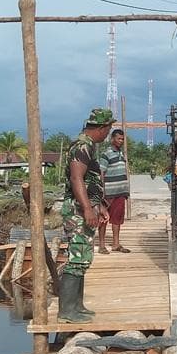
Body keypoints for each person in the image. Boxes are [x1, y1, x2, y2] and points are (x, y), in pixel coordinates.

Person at [57, 107, 114, 323]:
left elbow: (91, 182)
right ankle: (67, 311)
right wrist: (88, 208)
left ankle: (76, 306)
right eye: (107, 129)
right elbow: (76, 179)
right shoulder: (82, 146)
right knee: (77, 257)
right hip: (78, 210)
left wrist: (99, 205)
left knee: (83, 258)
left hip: (86, 207)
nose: (107, 134)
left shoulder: (89, 146)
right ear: (100, 128)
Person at [98, 128, 131, 254]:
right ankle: (101, 245)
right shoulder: (106, 154)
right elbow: (101, 172)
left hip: (120, 193)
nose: (121, 141)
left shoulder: (121, 154)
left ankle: (116, 244)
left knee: (117, 219)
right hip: (108, 193)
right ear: (112, 139)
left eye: (122, 139)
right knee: (104, 218)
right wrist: (101, 192)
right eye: (119, 138)